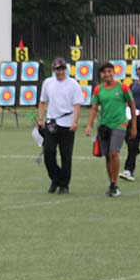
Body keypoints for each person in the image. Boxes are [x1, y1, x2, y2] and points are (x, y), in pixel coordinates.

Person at [85, 62, 137, 197]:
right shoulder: (98, 90)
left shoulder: (123, 88)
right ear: (101, 75)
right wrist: (89, 125)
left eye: (110, 71)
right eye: (104, 72)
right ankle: (112, 184)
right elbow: (94, 108)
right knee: (107, 156)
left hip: (119, 125)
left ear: (114, 72)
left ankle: (114, 184)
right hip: (104, 126)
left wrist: (133, 125)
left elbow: (132, 105)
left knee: (114, 153)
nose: (107, 74)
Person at [37, 58, 83, 194]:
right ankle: (55, 178)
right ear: (54, 70)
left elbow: (77, 104)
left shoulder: (73, 84)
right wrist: (40, 118)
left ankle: (64, 184)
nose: (60, 71)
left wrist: (75, 121)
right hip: (52, 122)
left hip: (67, 122)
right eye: (58, 69)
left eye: (63, 69)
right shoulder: (48, 83)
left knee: (66, 155)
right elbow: (42, 102)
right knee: (48, 152)